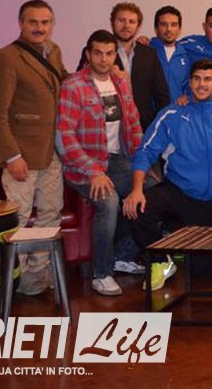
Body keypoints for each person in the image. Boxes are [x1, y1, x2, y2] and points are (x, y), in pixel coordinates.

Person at [123, 59, 212, 290]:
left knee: (201, 272)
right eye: (197, 79)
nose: (202, 84)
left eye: (207, 79)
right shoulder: (172, 114)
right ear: (189, 83)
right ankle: (160, 261)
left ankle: (178, 239)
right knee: (138, 208)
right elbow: (145, 151)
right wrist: (137, 189)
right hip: (179, 193)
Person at [0, 0, 67, 296]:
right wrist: (12, 155)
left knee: (50, 215)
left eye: (45, 22)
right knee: (17, 219)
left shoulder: (53, 51)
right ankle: (13, 281)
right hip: (21, 155)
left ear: (52, 24)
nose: (39, 28)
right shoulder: (6, 57)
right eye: (33, 22)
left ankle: (35, 278)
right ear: (21, 23)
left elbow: (63, 83)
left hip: (51, 152)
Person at [57, 30, 143, 295]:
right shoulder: (73, 86)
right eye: (98, 53)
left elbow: (134, 123)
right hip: (83, 167)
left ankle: (123, 255)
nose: (104, 59)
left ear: (115, 54)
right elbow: (65, 137)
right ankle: (102, 273)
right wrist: (93, 171)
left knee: (150, 188)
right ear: (88, 54)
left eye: (109, 53)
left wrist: (141, 163)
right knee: (109, 201)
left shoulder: (121, 82)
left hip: (118, 160)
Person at [78, 2, 169, 133]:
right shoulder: (96, 53)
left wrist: (155, 125)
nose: (126, 25)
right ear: (112, 23)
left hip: (143, 127)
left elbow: (162, 96)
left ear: (138, 26)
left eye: (132, 21)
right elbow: (81, 87)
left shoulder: (150, 54)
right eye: (121, 20)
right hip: (106, 126)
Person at [149, 5, 191, 103]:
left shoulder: (186, 55)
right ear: (156, 28)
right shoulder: (146, 51)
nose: (169, 29)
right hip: (151, 112)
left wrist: (187, 97)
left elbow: (189, 87)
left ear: (179, 29)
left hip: (177, 110)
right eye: (163, 24)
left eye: (173, 24)